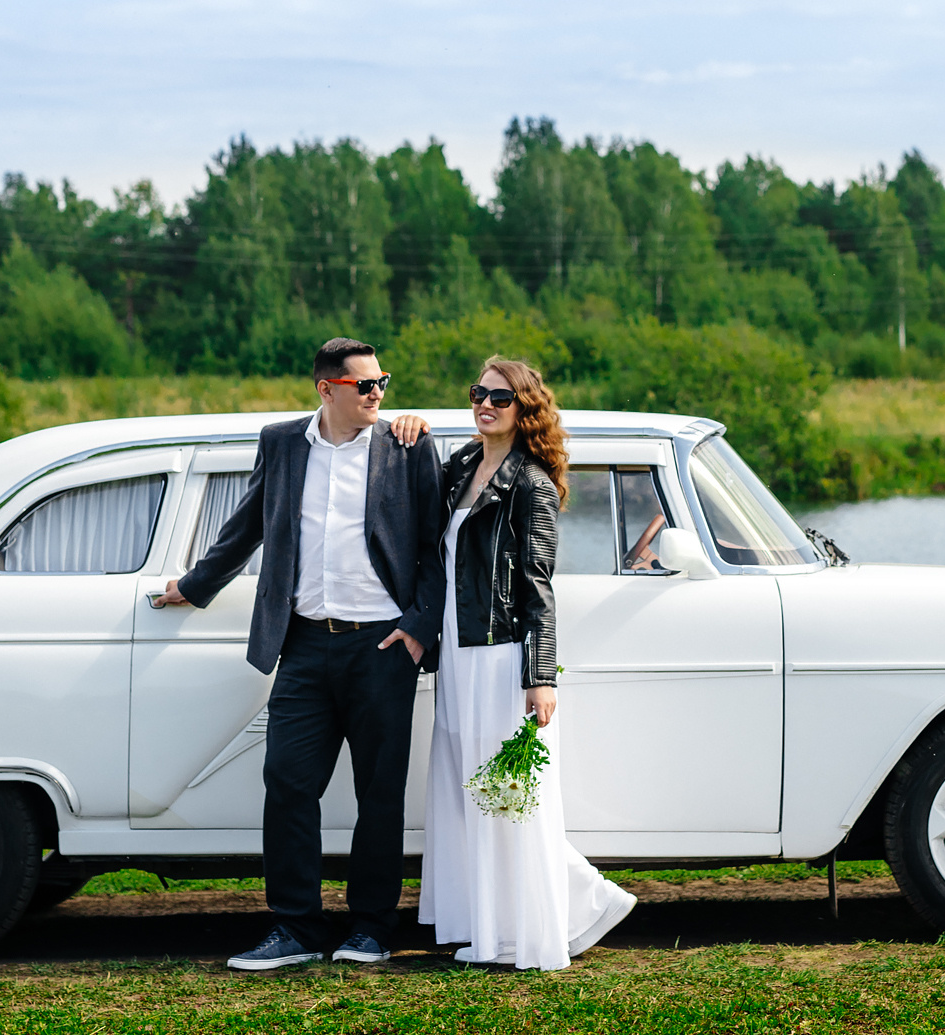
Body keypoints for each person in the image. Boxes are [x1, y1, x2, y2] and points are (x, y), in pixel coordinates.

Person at [155, 338, 440, 971]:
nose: (377, 394)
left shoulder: (408, 447)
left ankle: (371, 928)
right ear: (326, 389)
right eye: (364, 385)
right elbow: (247, 526)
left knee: (380, 793)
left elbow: (433, 545)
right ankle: (295, 927)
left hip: (382, 646)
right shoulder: (282, 443)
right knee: (286, 783)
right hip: (304, 644)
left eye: (383, 382)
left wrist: (420, 627)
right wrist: (194, 586)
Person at [420, 357, 637, 969]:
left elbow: (538, 587)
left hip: (501, 655)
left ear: (525, 409)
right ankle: (495, 926)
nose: (485, 405)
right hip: (458, 653)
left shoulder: (531, 483)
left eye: (500, 397)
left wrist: (540, 677)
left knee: (509, 793)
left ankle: (558, 917)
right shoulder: (461, 466)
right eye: (478, 393)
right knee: (473, 791)